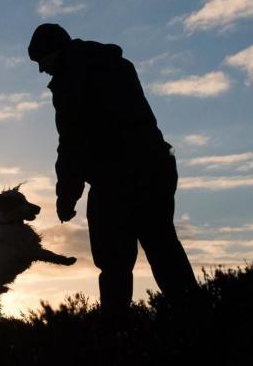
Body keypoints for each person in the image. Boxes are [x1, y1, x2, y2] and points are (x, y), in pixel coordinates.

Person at [28, 22, 197, 314]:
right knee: (164, 249)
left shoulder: (71, 80)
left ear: (55, 51)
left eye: (41, 61)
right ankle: (198, 322)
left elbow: (71, 144)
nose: (42, 70)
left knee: (114, 265)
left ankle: (115, 337)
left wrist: (67, 198)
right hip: (156, 168)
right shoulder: (115, 63)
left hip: (117, 180)